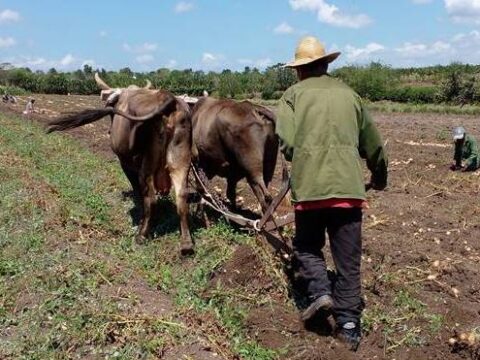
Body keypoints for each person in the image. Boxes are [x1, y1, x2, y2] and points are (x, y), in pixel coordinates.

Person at [276, 36, 388, 351]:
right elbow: (374, 145)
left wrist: (305, 158)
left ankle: (320, 293)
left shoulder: (292, 96)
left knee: (307, 247)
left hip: (310, 190)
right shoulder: (351, 95)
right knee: (348, 261)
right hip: (349, 192)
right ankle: (350, 326)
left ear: (299, 70)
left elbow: (286, 140)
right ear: (326, 65)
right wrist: (379, 177)